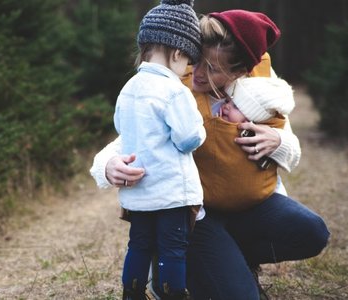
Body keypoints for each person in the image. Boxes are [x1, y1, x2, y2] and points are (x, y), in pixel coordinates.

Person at [90, 9, 330, 299]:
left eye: (213, 69)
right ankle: (172, 263)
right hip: (194, 215)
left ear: (240, 71)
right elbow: (132, 136)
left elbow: (291, 149)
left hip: (249, 207)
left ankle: (226, 260)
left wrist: (278, 141)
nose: (199, 74)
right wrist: (107, 165)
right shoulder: (174, 84)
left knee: (312, 232)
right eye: (197, 61)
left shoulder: (260, 89)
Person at [114, 0, 205, 299]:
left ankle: (132, 292)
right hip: (171, 193)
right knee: (172, 250)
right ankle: (173, 294)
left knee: (139, 244)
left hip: (139, 192)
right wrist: (200, 128)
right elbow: (188, 138)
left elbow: (120, 126)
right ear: (177, 53)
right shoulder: (174, 90)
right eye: (187, 62)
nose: (186, 70)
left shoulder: (129, 87)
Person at [197, 76, 295, 211]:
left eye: (236, 107)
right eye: (227, 101)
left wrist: (279, 141)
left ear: (252, 121)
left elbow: (293, 156)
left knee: (312, 226)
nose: (225, 106)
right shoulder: (208, 113)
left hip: (260, 200)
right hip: (210, 203)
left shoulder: (263, 127)